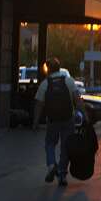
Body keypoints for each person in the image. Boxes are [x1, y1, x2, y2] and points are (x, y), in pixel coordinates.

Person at [32, 57, 85, 187]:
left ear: (48, 69)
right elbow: (78, 101)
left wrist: (35, 122)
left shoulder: (45, 84)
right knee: (65, 146)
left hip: (53, 120)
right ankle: (62, 174)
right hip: (68, 119)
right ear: (59, 68)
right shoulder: (68, 81)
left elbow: (38, 105)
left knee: (50, 143)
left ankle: (51, 166)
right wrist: (85, 116)